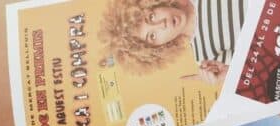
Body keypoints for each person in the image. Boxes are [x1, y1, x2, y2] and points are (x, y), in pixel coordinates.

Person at [98, 0, 247, 85]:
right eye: (152, 36)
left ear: (155, 3)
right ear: (158, 48)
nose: (162, 24)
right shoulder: (206, 59)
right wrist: (231, 74)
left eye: (151, 17)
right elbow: (257, 65)